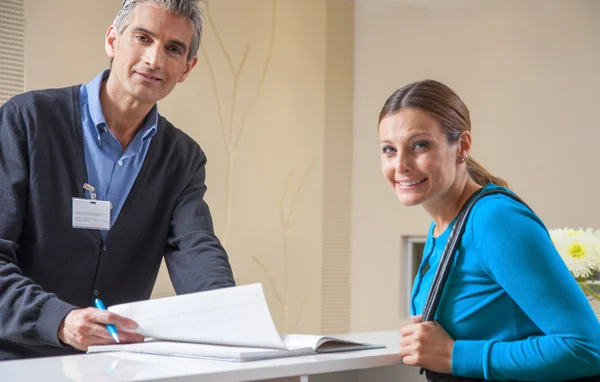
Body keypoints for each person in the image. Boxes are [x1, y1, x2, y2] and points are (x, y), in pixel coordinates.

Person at [0, 0, 235, 360]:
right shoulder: (27, 121)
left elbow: (196, 248)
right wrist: (59, 320)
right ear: (112, 41)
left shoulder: (183, 158)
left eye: (174, 49)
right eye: (143, 37)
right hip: (16, 362)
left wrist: (232, 316)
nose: (154, 60)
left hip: (112, 366)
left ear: (187, 68)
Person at [378, 79, 600, 380]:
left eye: (420, 145)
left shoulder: (494, 220)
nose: (401, 165)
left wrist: (453, 355)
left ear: (463, 146)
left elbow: (586, 347)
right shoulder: (442, 229)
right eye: (389, 150)